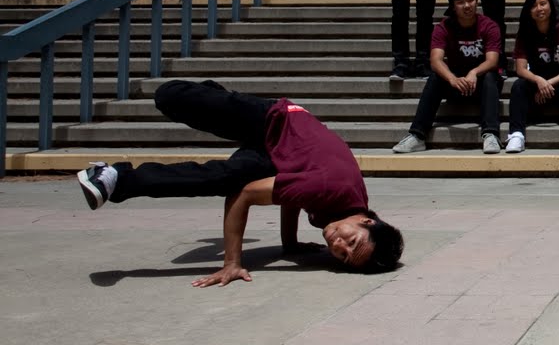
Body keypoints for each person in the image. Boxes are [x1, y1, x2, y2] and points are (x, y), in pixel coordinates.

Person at [76, 80, 404, 286]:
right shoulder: (330, 188)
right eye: (352, 242)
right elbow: (249, 195)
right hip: (273, 119)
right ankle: (214, 94)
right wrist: (232, 263)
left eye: (344, 257)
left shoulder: (342, 209)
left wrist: (289, 244)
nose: (338, 247)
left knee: (223, 178)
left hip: (278, 154)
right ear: (366, 221)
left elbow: (292, 193)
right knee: (168, 97)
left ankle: (116, 178)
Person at [392, 0, 504, 154]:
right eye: (460, 2)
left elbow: (492, 60)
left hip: (481, 83)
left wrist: (473, 72)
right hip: (455, 82)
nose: (467, 5)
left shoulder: (489, 25)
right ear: (453, 6)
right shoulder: (443, 27)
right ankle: (417, 135)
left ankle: (490, 134)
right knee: (435, 77)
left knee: (490, 75)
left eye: (470, 0)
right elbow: (436, 60)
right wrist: (452, 79)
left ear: (476, 1)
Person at [506, 0, 559, 153]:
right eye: (534, 6)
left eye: (543, 3)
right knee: (518, 86)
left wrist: (547, 83)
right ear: (529, 11)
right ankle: (516, 135)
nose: (539, 8)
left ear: (551, 6)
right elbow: (520, 69)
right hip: (536, 84)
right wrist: (538, 81)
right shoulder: (525, 32)